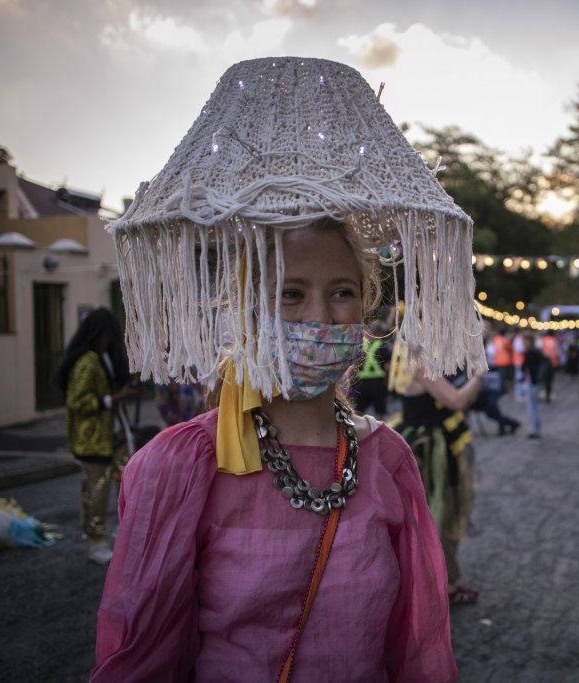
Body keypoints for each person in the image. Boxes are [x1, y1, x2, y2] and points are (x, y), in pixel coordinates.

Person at [92, 57, 487, 682]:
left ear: (367, 305)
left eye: (342, 292)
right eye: (290, 294)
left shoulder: (388, 461)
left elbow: (414, 650)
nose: (320, 316)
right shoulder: (180, 466)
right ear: (245, 309)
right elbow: (143, 659)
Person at [388, 338, 484, 603]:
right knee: (441, 512)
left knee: (437, 511)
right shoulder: (419, 360)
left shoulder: (417, 354)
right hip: (431, 449)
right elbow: (456, 400)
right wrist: (480, 374)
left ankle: (434, 579)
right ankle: (445, 584)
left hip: (436, 442)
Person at [54, 307, 140, 566]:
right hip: (93, 440)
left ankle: (123, 533)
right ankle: (97, 542)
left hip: (115, 436)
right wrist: (115, 398)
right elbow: (78, 402)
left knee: (128, 485)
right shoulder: (87, 363)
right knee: (96, 492)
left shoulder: (105, 358)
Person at [351, 320, 392, 421]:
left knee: (358, 411)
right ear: (379, 333)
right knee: (379, 411)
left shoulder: (360, 345)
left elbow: (353, 364)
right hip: (378, 383)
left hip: (361, 382)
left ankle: (358, 429)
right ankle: (378, 429)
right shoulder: (382, 345)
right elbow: (388, 366)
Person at [519, 330, 546, 439]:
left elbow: (525, 367)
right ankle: (536, 429)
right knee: (533, 406)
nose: (523, 342)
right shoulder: (535, 351)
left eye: (524, 340)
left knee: (532, 407)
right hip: (534, 381)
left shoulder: (530, 352)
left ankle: (536, 430)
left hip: (533, 382)